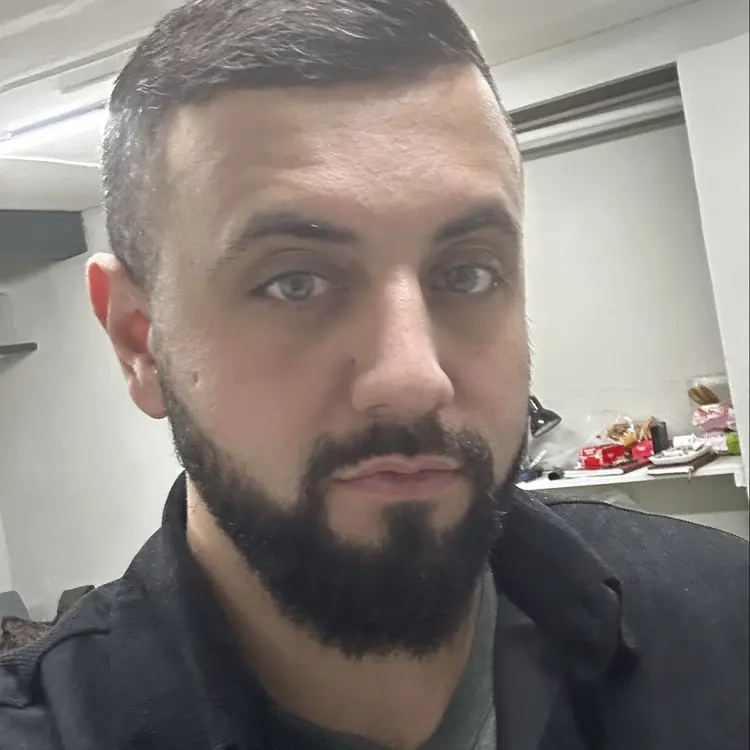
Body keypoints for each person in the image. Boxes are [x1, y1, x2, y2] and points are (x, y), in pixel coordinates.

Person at [1, 0, 747, 747]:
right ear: (140, 340)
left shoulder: (727, 622)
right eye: (295, 283)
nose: (414, 379)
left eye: (468, 273)